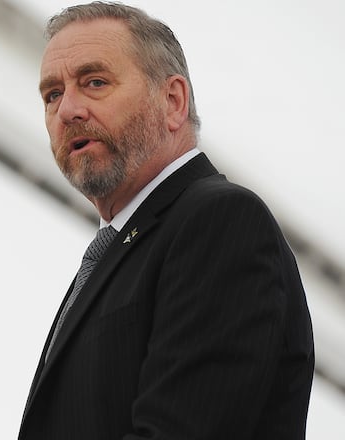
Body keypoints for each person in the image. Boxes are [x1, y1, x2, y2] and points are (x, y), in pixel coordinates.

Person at [19, 3, 315, 439]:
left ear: (173, 101)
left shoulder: (219, 221)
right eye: (52, 95)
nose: (68, 110)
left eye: (95, 82)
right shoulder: (119, 248)